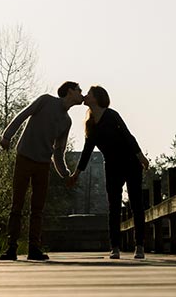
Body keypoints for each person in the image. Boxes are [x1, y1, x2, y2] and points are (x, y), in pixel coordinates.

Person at [0, 80, 84, 261]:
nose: (81, 93)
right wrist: (7, 136)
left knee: (38, 208)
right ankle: (11, 248)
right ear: (69, 91)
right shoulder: (46, 101)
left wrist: (65, 174)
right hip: (24, 157)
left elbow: (59, 151)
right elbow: (23, 115)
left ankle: (33, 249)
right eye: (79, 90)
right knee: (17, 204)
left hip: (43, 164)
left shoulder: (66, 121)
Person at [66, 85, 150, 259]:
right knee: (113, 207)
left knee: (136, 204)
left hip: (130, 162)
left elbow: (128, 135)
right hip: (112, 166)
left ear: (97, 98)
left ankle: (140, 246)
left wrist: (141, 156)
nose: (85, 96)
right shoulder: (90, 124)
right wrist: (77, 173)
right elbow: (87, 150)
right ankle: (115, 248)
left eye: (88, 94)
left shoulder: (111, 115)